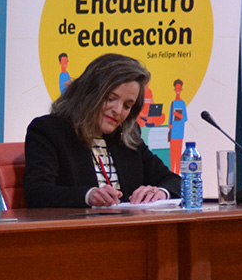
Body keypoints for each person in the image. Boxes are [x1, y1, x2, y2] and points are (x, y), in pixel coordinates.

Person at [24, 52, 180, 208]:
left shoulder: (128, 136)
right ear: (89, 93)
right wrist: (88, 196)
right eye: (111, 99)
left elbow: (175, 181)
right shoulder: (49, 130)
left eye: (127, 106)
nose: (118, 110)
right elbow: (37, 192)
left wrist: (161, 192)